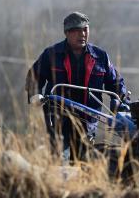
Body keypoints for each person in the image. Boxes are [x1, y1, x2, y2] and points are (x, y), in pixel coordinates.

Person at [25, 11, 127, 161]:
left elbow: (116, 83)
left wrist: (119, 100)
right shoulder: (51, 54)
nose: (82, 34)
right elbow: (34, 76)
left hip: (88, 120)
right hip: (59, 117)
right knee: (61, 158)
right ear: (67, 33)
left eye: (85, 29)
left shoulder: (100, 57)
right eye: (77, 31)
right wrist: (35, 95)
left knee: (84, 161)